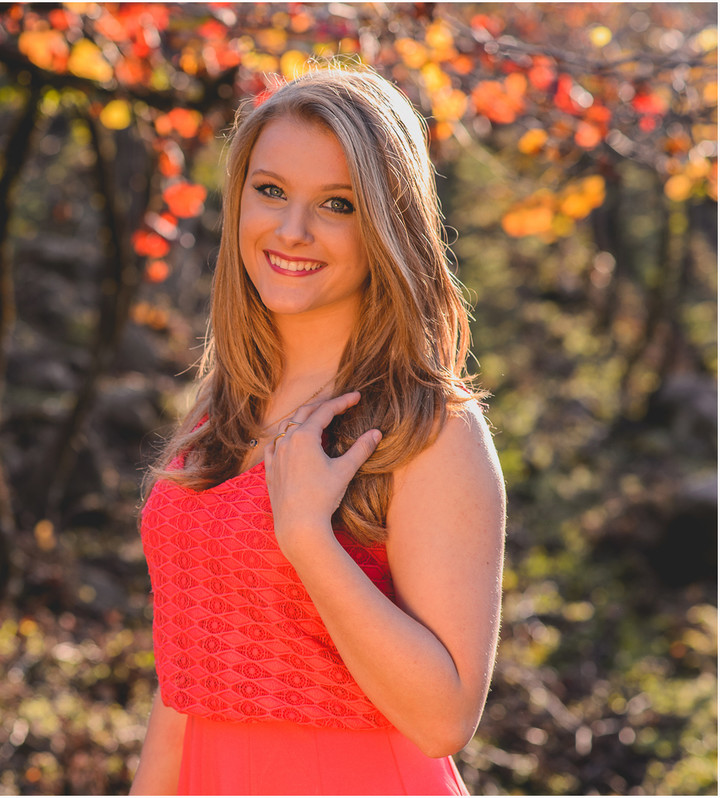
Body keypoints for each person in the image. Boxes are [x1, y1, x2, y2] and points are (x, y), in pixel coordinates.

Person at [130, 63, 506, 795]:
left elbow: (444, 720)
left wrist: (308, 539)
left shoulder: (430, 430)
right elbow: (187, 683)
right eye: (270, 191)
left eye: (337, 204)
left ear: (386, 225)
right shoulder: (225, 408)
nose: (292, 230)